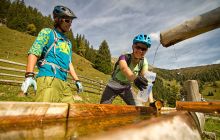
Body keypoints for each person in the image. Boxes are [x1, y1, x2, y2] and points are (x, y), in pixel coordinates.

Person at [21, 5, 83, 102]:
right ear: (58, 20)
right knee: (44, 114)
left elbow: (69, 63)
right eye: (67, 20)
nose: (70, 23)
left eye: (71, 21)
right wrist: (29, 75)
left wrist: (77, 80)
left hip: (64, 83)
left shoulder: (68, 42)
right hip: (48, 78)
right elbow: (34, 51)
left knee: (69, 114)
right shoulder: (47, 32)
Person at [100, 34, 154, 105]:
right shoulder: (124, 56)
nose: (140, 51)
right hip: (113, 86)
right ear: (133, 47)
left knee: (139, 107)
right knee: (103, 108)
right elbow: (124, 68)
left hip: (126, 88)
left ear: (146, 50)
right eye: (138, 47)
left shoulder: (144, 62)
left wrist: (152, 102)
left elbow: (146, 81)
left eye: (144, 49)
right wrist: (135, 79)